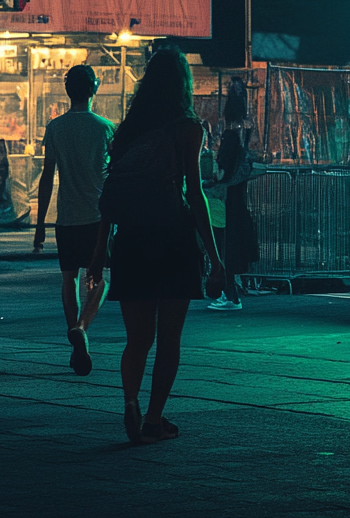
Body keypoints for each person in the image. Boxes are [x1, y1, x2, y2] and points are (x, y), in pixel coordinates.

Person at [89, 48, 225, 444]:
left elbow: (110, 197)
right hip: (173, 239)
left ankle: (130, 401)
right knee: (169, 338)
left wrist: (100, 250)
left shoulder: (129, 129)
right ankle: (153, 418)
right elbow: (195, 195)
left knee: (138, 338)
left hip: (131, 240)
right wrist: (215, 258)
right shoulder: (188, 128)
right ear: (184, 83)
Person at [33, 65, 114, 376]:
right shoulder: (106, 128)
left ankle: (75, 341)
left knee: (69, 280)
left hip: (66, 219)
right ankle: (82, 327)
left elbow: (47, 177)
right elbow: (116, 176)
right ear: (93, 89)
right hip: (98, 219)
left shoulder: (55, 128)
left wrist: (40, 223)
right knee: (99, 279)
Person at [211, 77, 258, 309]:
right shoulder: (246, 131)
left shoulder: (230, 136)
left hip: (226, 197)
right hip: (239, 195)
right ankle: (232, 292)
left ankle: (230, 295)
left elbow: (221, 170)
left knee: (225, 245)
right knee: (233, 244)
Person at [199, 123, 239, 310]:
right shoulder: (233, 164)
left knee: (219, 253)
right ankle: (229, 293)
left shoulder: (221, 164)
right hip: (220, 212)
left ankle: (229, 295)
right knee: (223, 253)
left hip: (215, 212)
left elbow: (216, 181)